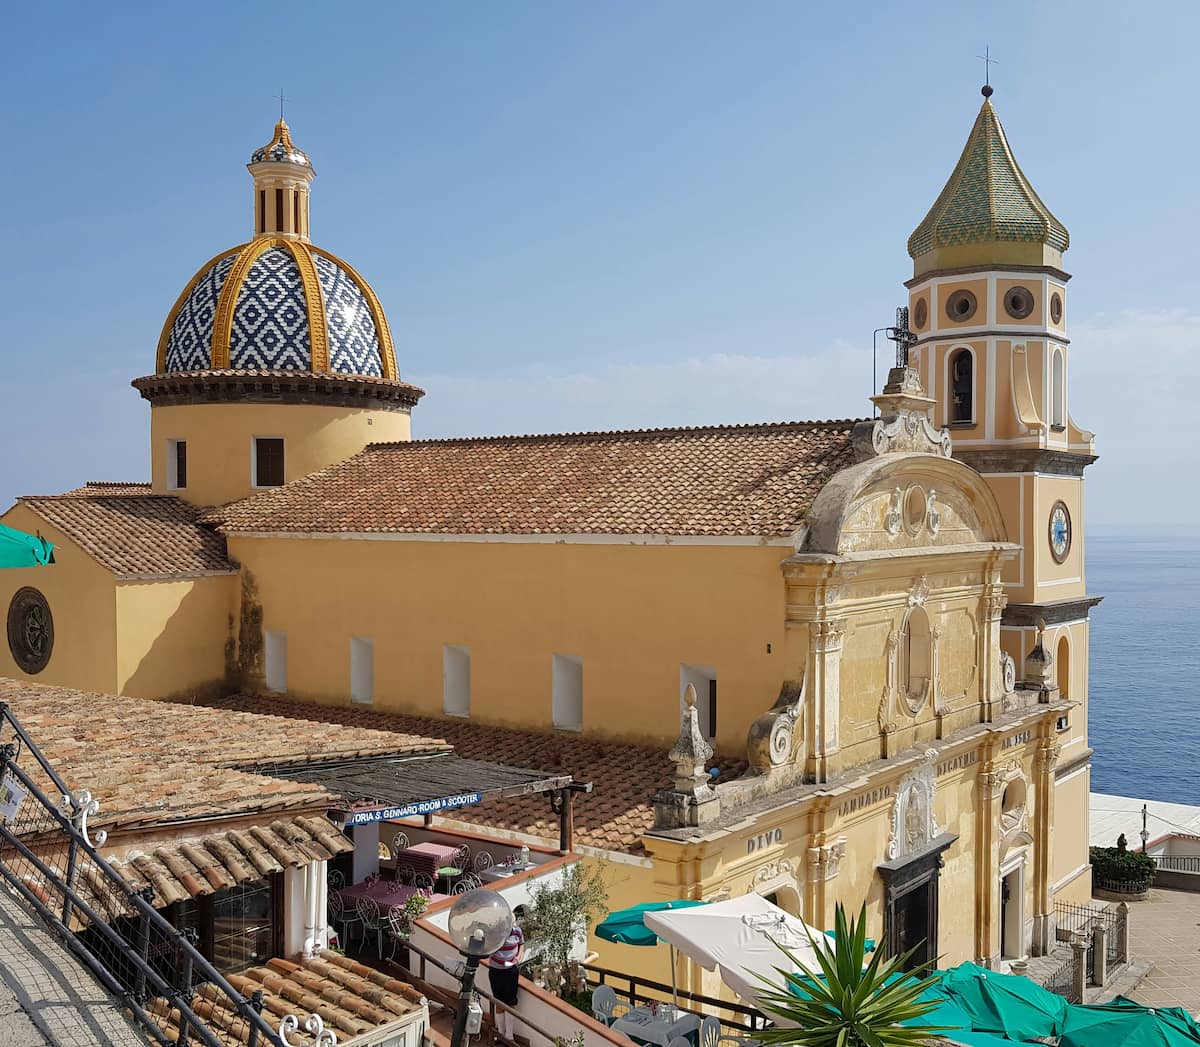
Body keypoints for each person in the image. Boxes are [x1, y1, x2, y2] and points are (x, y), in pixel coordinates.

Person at [487, 916, 524, 1042]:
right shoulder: (495, 934)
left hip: (511, 971)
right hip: (497, 971)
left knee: (511, 1002)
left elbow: (521, 944)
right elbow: (489, 950)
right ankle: (500, 1033)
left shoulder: (517, 931)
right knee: (499, 1002)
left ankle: (509, 1035)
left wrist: (518, 958)